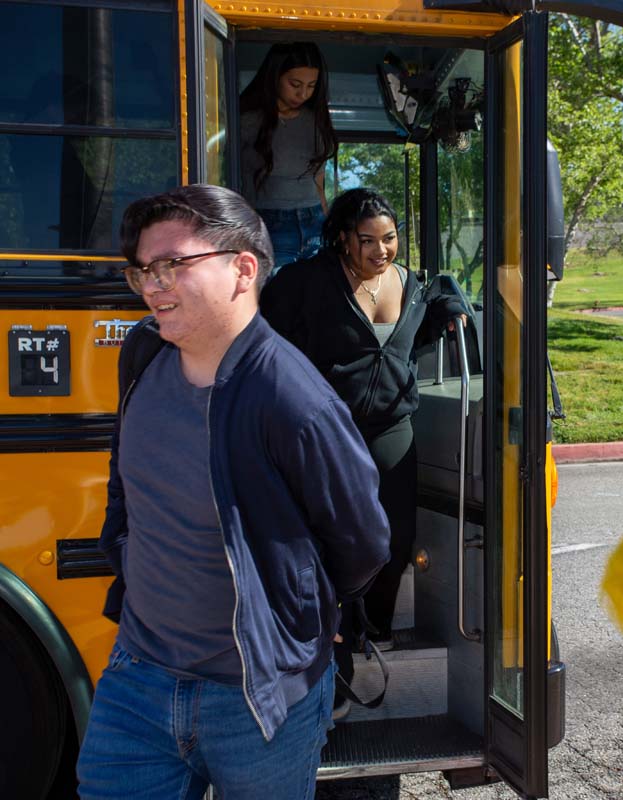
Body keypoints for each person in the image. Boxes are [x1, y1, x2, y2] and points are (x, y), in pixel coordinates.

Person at [77, 184, 391, 799]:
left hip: (258, 697)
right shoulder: (142, 354)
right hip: (137, 679)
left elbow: (363, 540)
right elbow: (128, 480)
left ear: (243, 269)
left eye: (172, 265)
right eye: (143, 270)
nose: (152, 285)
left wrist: (306, 608)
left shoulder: (292, 398)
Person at [260, 189, 467, 707]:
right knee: (335, 537)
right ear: (343, 240)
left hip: (392, 426)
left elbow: (434, 305)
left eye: (390, 238)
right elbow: (265, 330)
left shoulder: (413, 286)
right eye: (368, 240)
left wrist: (453, 307)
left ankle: (373, 623)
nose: (381, 250)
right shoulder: (306, 282)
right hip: (331, 429)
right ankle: (342, 637)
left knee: (396, 540)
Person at [239, 42, 337, 272]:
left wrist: (327, 223)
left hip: (314, 221)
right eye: (295, 84)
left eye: (311, 86)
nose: (303, 94)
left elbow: (319, 182)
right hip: (269, 221)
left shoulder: (316, 120)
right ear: (274, 77)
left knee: (314, 297)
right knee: (279, 298)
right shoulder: (247, 120)